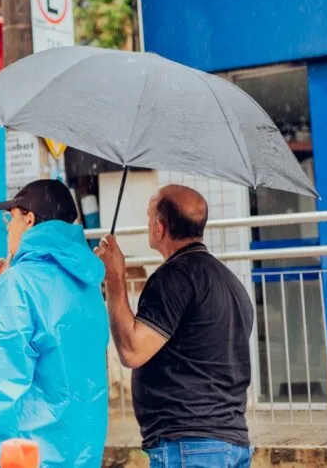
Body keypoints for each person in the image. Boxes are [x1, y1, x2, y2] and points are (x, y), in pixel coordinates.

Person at [0, 179, 109, 468]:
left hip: (28, 456)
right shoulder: (88, 286)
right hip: (82, 453)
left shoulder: (18, 286)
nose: (8, 227)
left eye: (11, 218)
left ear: (29, 219)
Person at [97, 185, 253, 468]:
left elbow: (132, 351)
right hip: (231, 443)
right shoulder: (232, 284)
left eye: (148, 217)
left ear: (159, 228)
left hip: (190, 445)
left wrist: (115, 279)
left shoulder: (174, 277)